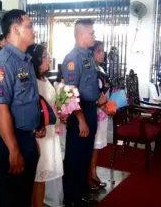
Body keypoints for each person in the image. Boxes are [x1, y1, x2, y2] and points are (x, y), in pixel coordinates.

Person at [0, 9, 44, 207]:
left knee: (22, 194)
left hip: (24, 136)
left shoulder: (24, 60)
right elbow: (0, 110)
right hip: (8, 139)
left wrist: (32, 131)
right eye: (29, 26)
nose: (34, 30)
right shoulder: (2, 63)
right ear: (16, 29)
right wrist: (14, 149)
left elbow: (27, 100)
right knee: (8, 197)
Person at [61, 19, 107, 207]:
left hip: (90, 108)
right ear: (81, 35)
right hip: (78, 111)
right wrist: (81, 120)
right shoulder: (73, 59)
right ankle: (71, 197)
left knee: (85, 154)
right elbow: (70, 92)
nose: (94, 36)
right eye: (91, 33)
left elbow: (89, 85)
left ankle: (80, 192)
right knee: (75, 155)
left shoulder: (87, 56)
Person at [27, 44, 65, 207]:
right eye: (44, 56)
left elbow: (48, 105)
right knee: (38, 177)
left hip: (50, 132)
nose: (48, 58)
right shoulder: (31, 81)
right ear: (35, 60)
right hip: (40, 134)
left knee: (42, 177)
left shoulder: (44, 79)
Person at [88, 41, 112, 191]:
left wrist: (109, 106)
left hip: (103, 112)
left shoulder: (100, 68)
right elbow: (91, 96)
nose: (103, 54)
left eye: (103, 51)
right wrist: (103, 105)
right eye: (99, 51)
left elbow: (104, 92)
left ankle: (93, 172)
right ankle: (90, 176)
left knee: (96, 147)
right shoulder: (89, 70)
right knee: (91, 147)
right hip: (95, 112)